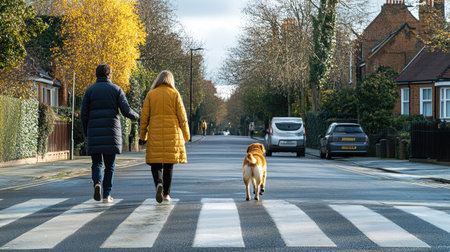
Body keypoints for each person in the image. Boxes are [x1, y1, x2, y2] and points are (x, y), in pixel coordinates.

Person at [81, 63, 139, 203]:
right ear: (109, 75)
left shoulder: (89, 91)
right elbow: (126, 110)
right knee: (110, 166)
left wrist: (86, 131)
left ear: (97, 75)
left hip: (94, 132)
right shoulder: (116, 90)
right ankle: (107, 195)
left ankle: (97, 184)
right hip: (112, 133)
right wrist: (138, 117)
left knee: (96, 163)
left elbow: (83, 114)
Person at [139, 70, 190, 203]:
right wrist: (186, 135)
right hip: (172, 134)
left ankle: (158, 184)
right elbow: (182, 117)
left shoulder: (151, 94)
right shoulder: (175, 94)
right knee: (169, 165)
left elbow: (144, 117)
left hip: (154, 133)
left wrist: (142, 136)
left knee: (155, 164)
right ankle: (166, 194)